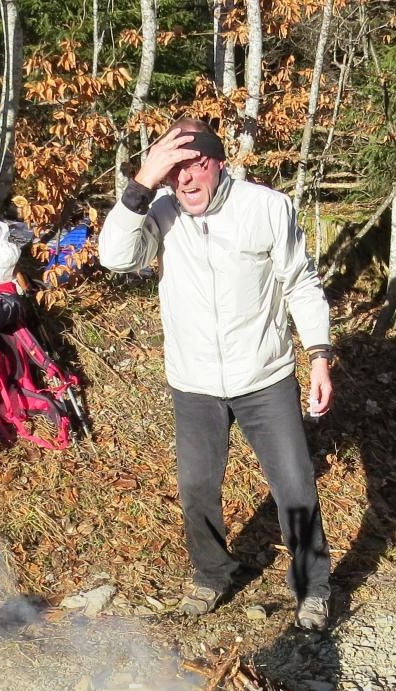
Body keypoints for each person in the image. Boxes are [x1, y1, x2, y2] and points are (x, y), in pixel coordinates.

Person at [98, 118, 336, 630]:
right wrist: (142, 182)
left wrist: (319, 354)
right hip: (195, 383)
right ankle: (212, 575)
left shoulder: (266, 207)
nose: (185, 179)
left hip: (264, 377)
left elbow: (300, 282)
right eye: (174, 170)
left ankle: (313, 588)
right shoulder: (161, 214)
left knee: (295, 486)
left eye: (196, 165)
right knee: (197, 488)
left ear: (219, 163)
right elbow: (115, 259)